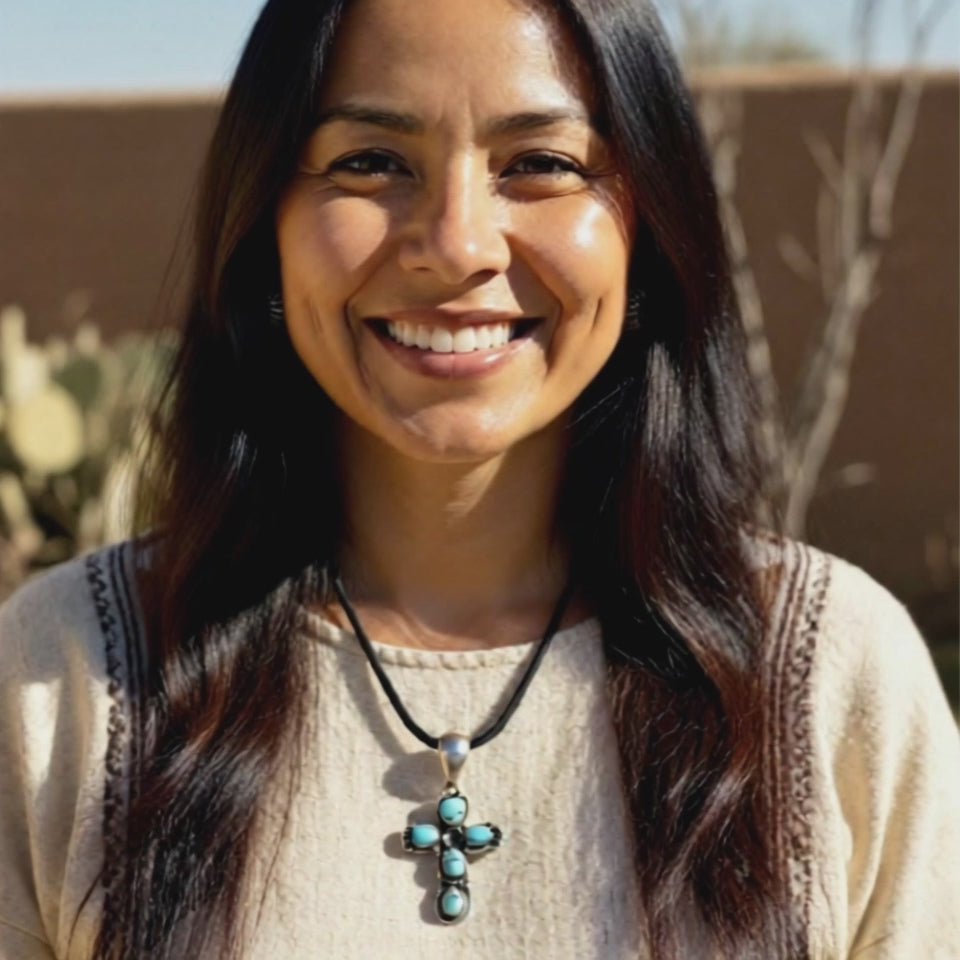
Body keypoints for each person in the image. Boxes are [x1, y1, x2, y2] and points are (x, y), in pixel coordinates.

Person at [1, 0, 958, 957]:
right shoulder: (68, 680)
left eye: (540, 164)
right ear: (264, 222)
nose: (458, 245)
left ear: (648, 220)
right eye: (370, 161)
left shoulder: (827, 677)